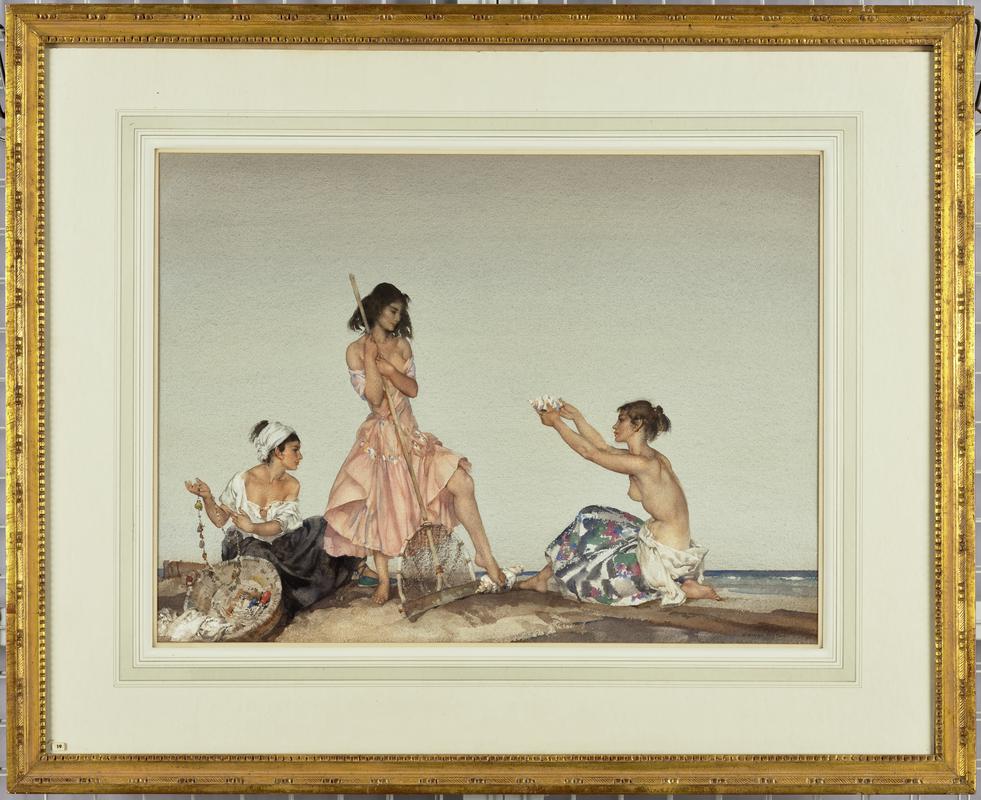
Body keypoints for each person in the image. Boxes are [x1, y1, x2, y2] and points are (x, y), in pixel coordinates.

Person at [323, 282, 505, 604]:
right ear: (376, 308)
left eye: (400, 313)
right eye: (392, 311)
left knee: (462, 482)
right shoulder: (355, 350)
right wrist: (370, 360)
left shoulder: (402, 345)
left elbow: (412, 389)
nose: (397, 318)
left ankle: (484, 555)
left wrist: (390, 369)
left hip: (411, 435)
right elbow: (375, 399)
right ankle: (383, 579)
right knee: (380, 507)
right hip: (382, 440)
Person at [517, 400, 720, 606]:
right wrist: (577, 418)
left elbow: (590, 453)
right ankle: (541, 578)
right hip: (674, 549)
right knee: (592, 514)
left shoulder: (643, 464)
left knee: (589, 544)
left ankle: (677, 583)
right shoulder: (650, 457)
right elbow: (602, 447)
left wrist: (556, 423)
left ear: (637, 425)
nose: (615, 426)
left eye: (621, 420)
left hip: (662, 556)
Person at [185, 420, 359, 617]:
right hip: (246, 546)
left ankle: (336, 576)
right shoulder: (243, 480)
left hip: (279, 544)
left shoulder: (292, 484)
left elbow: (279, 525)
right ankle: (289, 596)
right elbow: (219, 520)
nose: (300, 456)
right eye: (295, 450)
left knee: (321, 525)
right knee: (258, 551)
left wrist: (253, 526)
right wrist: (208, 498)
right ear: (278, 452)